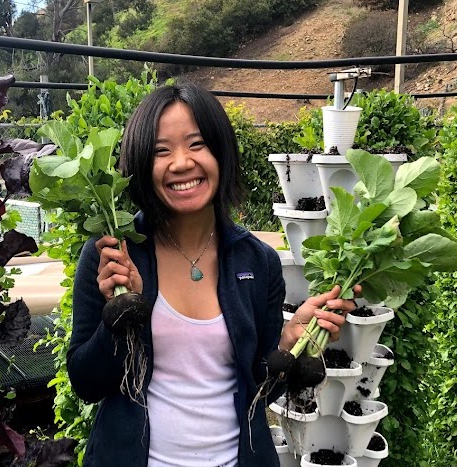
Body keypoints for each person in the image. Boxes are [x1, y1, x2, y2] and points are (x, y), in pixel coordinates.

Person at [67, 83, 358, 467]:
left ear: (220, 153)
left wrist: (287, 346)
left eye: (197, 144)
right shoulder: (113, 256)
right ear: (140, 164)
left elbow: (256, 392)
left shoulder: (259, 262)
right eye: (161, 150)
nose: (181, 162)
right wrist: (119, 319)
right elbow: (86, 384)